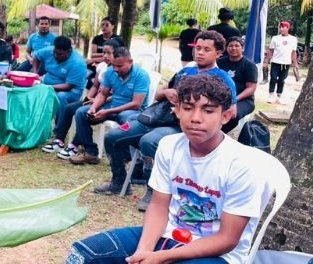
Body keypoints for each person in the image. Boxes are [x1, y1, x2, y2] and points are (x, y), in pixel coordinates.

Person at [67, 75, 267, 264]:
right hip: (167, 234)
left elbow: (227, 239)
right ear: (177, 110)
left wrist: (162, 257)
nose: (196, 118)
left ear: (226, 116)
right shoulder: (169, 146)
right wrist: (144, 251)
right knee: (82, 255)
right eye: (188, 108)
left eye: (208, 110)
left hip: (217, 254)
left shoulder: (243, 164)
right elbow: (158, 207)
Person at [98, 31, 237, 212]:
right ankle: (118, 181)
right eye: (198, 48)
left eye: (206, 49)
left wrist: (196, 111)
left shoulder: (222, 79)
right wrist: (167, 92)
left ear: (218, 53)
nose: (200, 53)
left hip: (181, 126)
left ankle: (154, 190)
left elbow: (231, 112)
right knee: (114, 136)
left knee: (149, 141)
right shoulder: (185, 71)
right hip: (157, 117)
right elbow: (157, 94)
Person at [68, 46, 151, 165]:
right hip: (112, 107)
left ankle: (127, 158)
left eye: (120, 66)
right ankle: (90, 152)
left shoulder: (141, 75)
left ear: (130, 62)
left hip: (132, 111)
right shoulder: (110, 72)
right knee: (81, 113)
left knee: (127, 118)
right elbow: (103, 94)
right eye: (114, 65)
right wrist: (93, 108)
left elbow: (136, 104)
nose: (116, 69)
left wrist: (107, 112)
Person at [41, 39, 121, 156]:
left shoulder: (118, 70)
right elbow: (95, 85)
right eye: (103, 53)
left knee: (82, 113)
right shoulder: (102, 66)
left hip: (107, 103)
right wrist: (88, 98)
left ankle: (74, 145)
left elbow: (116, 95)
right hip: (96, 100)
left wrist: (95, 102)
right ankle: (59, 140)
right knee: (69, 108)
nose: (105, 56)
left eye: (109, 53)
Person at [32, 36, 88, 135]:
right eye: (55, 52)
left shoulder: (78, 63)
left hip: (72, 91)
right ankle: (34, 126)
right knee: (32, 90)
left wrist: (47, 87)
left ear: (69, 51)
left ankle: (59, 131)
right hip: (48, 83)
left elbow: (68, 86)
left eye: (60, 54)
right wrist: (35, 74)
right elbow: (36, 56)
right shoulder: (50, 51)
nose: (56, 56)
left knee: (61, 97)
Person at [217, 37, 257, 133]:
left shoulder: (249, 65)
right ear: (226, 48)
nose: (233, 48)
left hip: (243, 100)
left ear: (242, 48)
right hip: (221, 97)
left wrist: (235, 99)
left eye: (237, 46)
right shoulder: (220, 62)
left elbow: (251, 88)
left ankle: (220, 133)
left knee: (231, 114)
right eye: (230, 46)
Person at [266, 21, 298, 105]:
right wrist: (266, 61)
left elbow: (294, 52)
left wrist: (295, 64)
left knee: (282, 80)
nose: (281, 29)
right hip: (275, 62)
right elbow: (271, 50)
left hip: (286, 63)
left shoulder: (293, 39)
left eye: (283, 27)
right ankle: (271, 94)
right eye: (280, 27)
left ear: (288, 28)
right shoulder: (275, 38)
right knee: (273, 78)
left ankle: (279, 96)